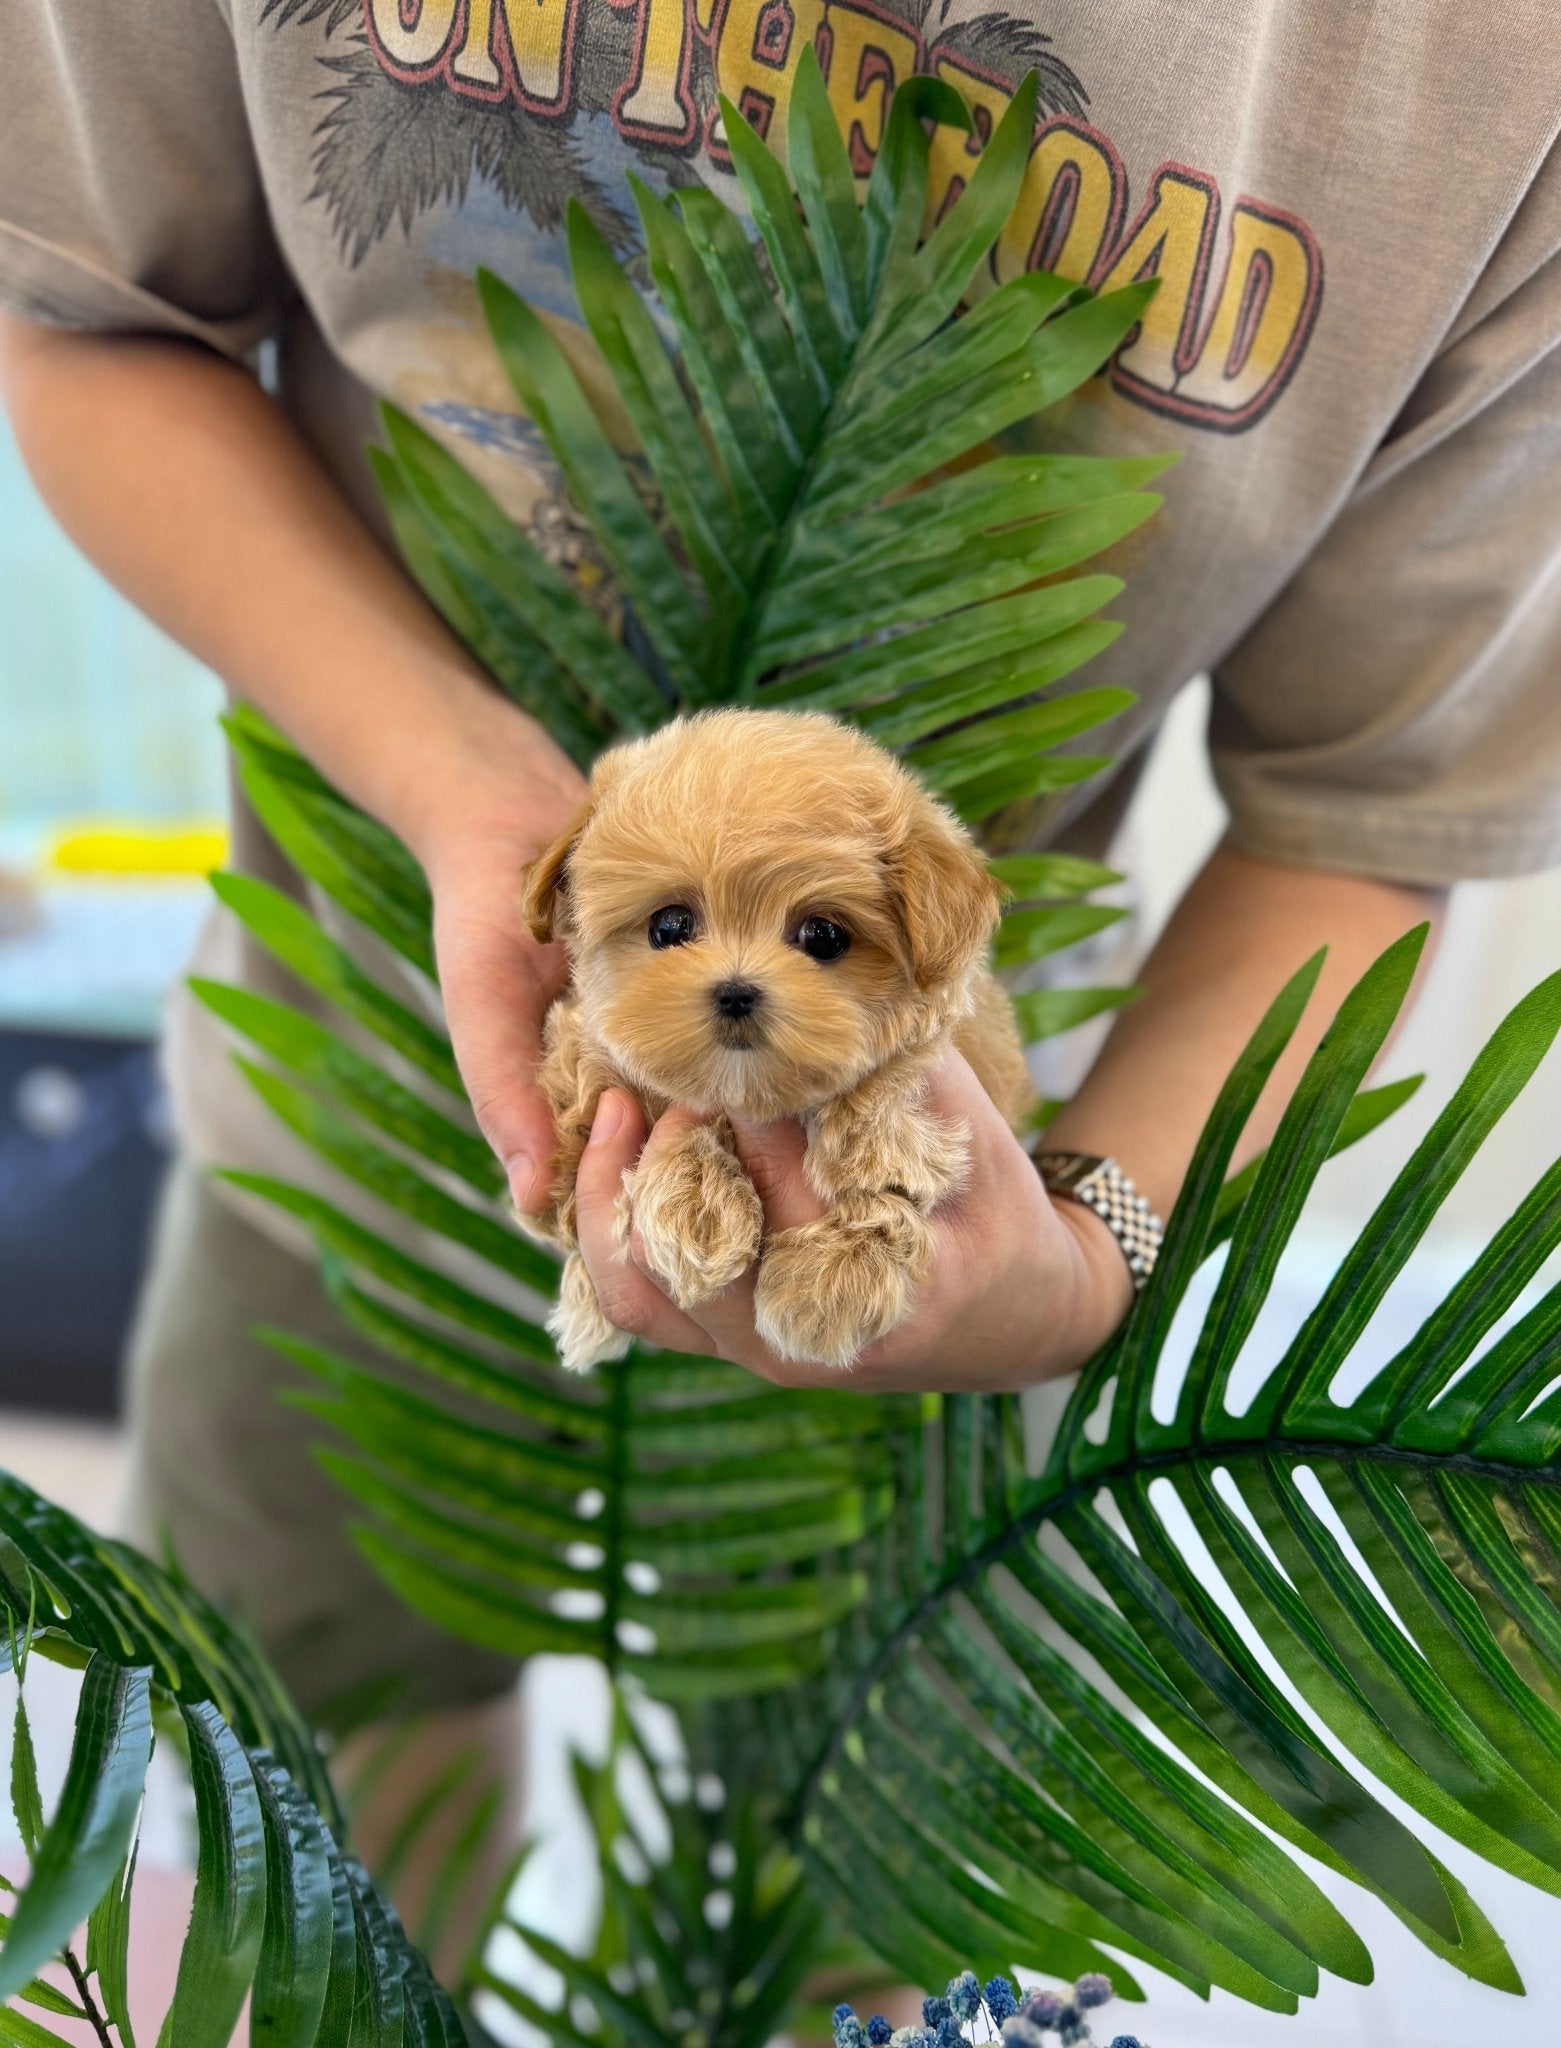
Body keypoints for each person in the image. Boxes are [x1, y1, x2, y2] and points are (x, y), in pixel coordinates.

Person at [1, 0, 1557, 1986]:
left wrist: (1084, 1255)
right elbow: (93, 310)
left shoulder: (1493, 79)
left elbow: (1367, 803)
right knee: (264, 1928)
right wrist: (459, 785)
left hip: (946, 1252)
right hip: (344, 1135)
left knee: (840, 1961)